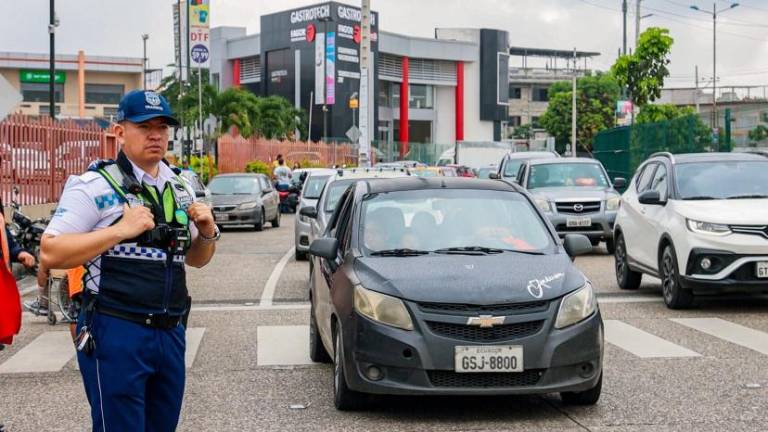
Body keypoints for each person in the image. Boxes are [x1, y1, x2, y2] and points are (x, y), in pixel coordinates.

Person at [40, 90, 218, 432]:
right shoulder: (93, 186)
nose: (156, 135)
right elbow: (51, 251)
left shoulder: (181, 186)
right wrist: (120, 231)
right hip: (116, 329)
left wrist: (208, 233)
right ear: (120, 132)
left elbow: (195, 260)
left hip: (170, 331)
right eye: (144, 126)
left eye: (162, 127)